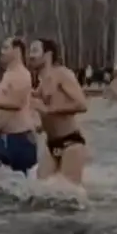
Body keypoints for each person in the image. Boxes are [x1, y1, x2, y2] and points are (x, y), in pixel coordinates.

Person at [30, 37, 89, 187]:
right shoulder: (42, 83)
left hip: (71, 142)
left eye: (35, 51)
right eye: (30, 51)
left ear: (48, 54)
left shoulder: (62, 74)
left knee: (69, 197)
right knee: (39, 192)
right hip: (51, 143)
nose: (30, 55)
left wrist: (48, 111)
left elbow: (82, 104)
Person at [0, 36, 39, 174]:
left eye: (6, 48)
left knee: (22, 187)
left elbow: (16, 105)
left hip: (19, 139)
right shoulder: (8, 74)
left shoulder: (20, 75)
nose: (2, 51)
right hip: (5, 137)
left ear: (17, 50)